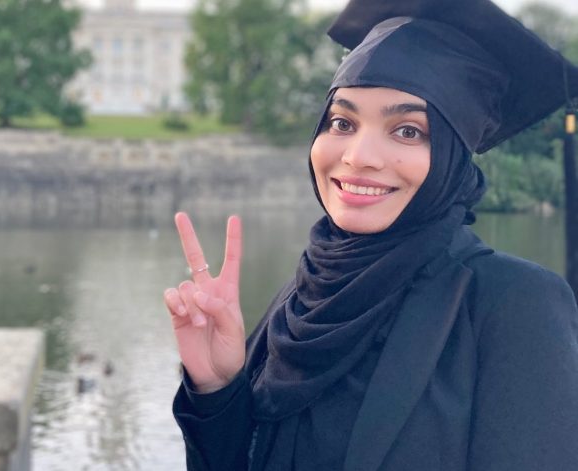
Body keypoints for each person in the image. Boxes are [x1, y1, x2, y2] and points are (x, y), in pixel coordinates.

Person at [164, 0, 578, 470]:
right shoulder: (303, 300)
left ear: (451, 157)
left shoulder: (510, 304)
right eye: (343, 122)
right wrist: (218, 390)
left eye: (407, 130)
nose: (359, 156)